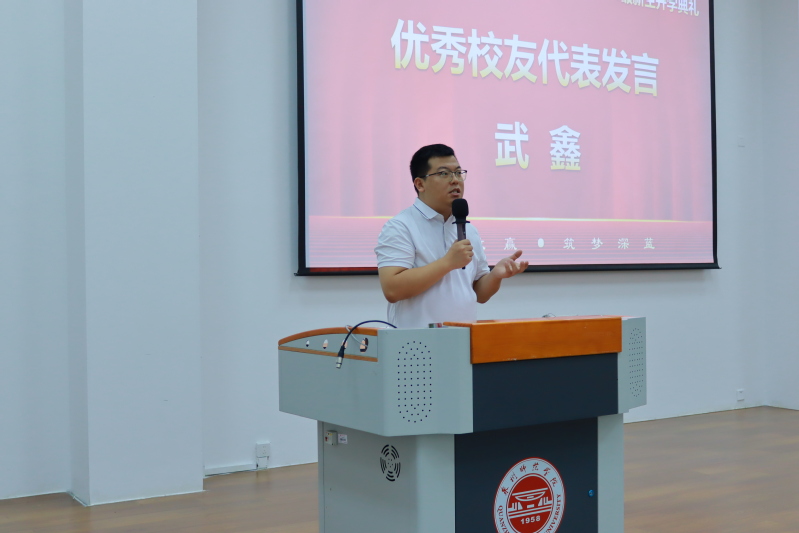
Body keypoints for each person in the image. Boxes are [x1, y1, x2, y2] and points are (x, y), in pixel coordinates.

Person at [375, 144, 528, 328]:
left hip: (463, 338)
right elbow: (392, 289)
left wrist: (495, 276)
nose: (455, 180)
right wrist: (447, 263)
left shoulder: (469, 229)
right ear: (420, 184)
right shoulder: (401, 226)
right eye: (444, 173)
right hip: (416, 341)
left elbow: (480, 294)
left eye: (458, 173)